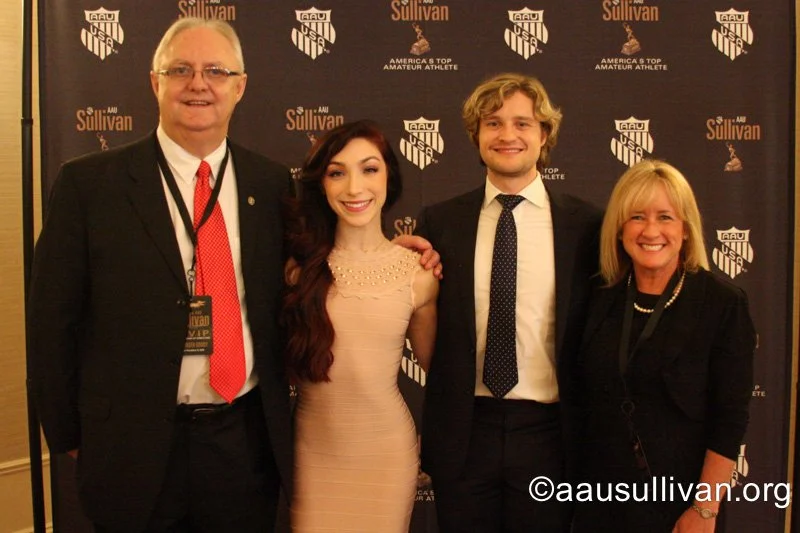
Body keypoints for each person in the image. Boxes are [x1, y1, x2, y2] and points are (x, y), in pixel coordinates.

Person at [28, 17, 293, 533]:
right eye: (180, 70)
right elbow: (51, 322)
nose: (198, 84)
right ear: (155, 82)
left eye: (216, 71)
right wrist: (69, 433)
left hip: (242, 444)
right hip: (130, 445)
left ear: (240, 86)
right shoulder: (89, 185)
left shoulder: (272, 183)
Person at [417, 73, 602, 532]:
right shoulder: (440, 222)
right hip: (465, 433)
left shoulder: (586, 226)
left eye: (522, 123)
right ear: (476, 135)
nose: (507, 135)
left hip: (551, 436)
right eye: (493, 123)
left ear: (544, 134)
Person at [572, 159, 755, 532]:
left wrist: (704, 509)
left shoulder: (721, 303)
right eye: (637, 217)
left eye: (665, 217)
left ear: (685, 229)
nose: (650, 230)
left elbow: (730, 418)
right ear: (620, 228)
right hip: (599, 504)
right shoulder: (599, 295)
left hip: (681, 506)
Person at [282, 120, 439, 532]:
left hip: (386, 454)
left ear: (389, 177)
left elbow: (441, 372)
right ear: (321, 184)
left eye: (369, 169)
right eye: (337, 173)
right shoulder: (296, 269)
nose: (355, 188)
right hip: (312, 453)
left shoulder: (418, 273)